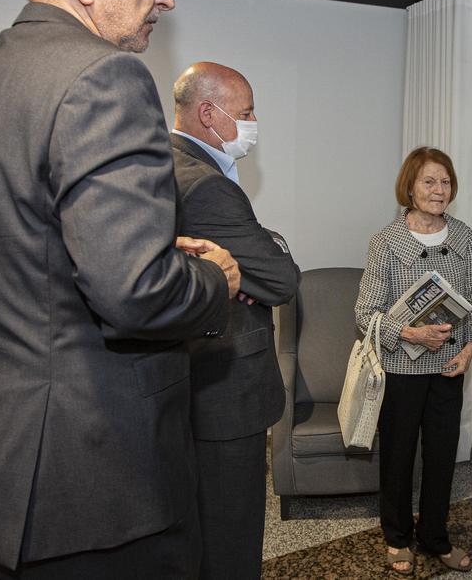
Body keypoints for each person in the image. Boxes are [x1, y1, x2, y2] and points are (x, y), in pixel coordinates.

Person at [0, 0, 241, 577]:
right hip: (96, 489)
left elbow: (38, 261)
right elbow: (134, 292)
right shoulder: (106, 78)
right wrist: (215, 279)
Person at [169, 62, 300, 579]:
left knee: (196, 525)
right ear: (208, 112)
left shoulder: (164, 162)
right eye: (244, 113)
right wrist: (252, 264)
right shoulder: (207, 186)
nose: (252, 123)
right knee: (231, 534)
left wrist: (243, 264)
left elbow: (258, 262)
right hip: (225, 393)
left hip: (188, 381)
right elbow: (283, 278)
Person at [354, 147, 472, 575]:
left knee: (443, 457)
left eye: (445, 181)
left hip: (449, 369)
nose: (438, 190)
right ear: (409, 186)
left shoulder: (463, 236)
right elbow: (365, 312)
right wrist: (409, 333)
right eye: (429, 181)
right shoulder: (386, 242)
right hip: (402, 370)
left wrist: (468, 350)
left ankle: (434, 537)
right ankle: (397, 538)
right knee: (397, 457)